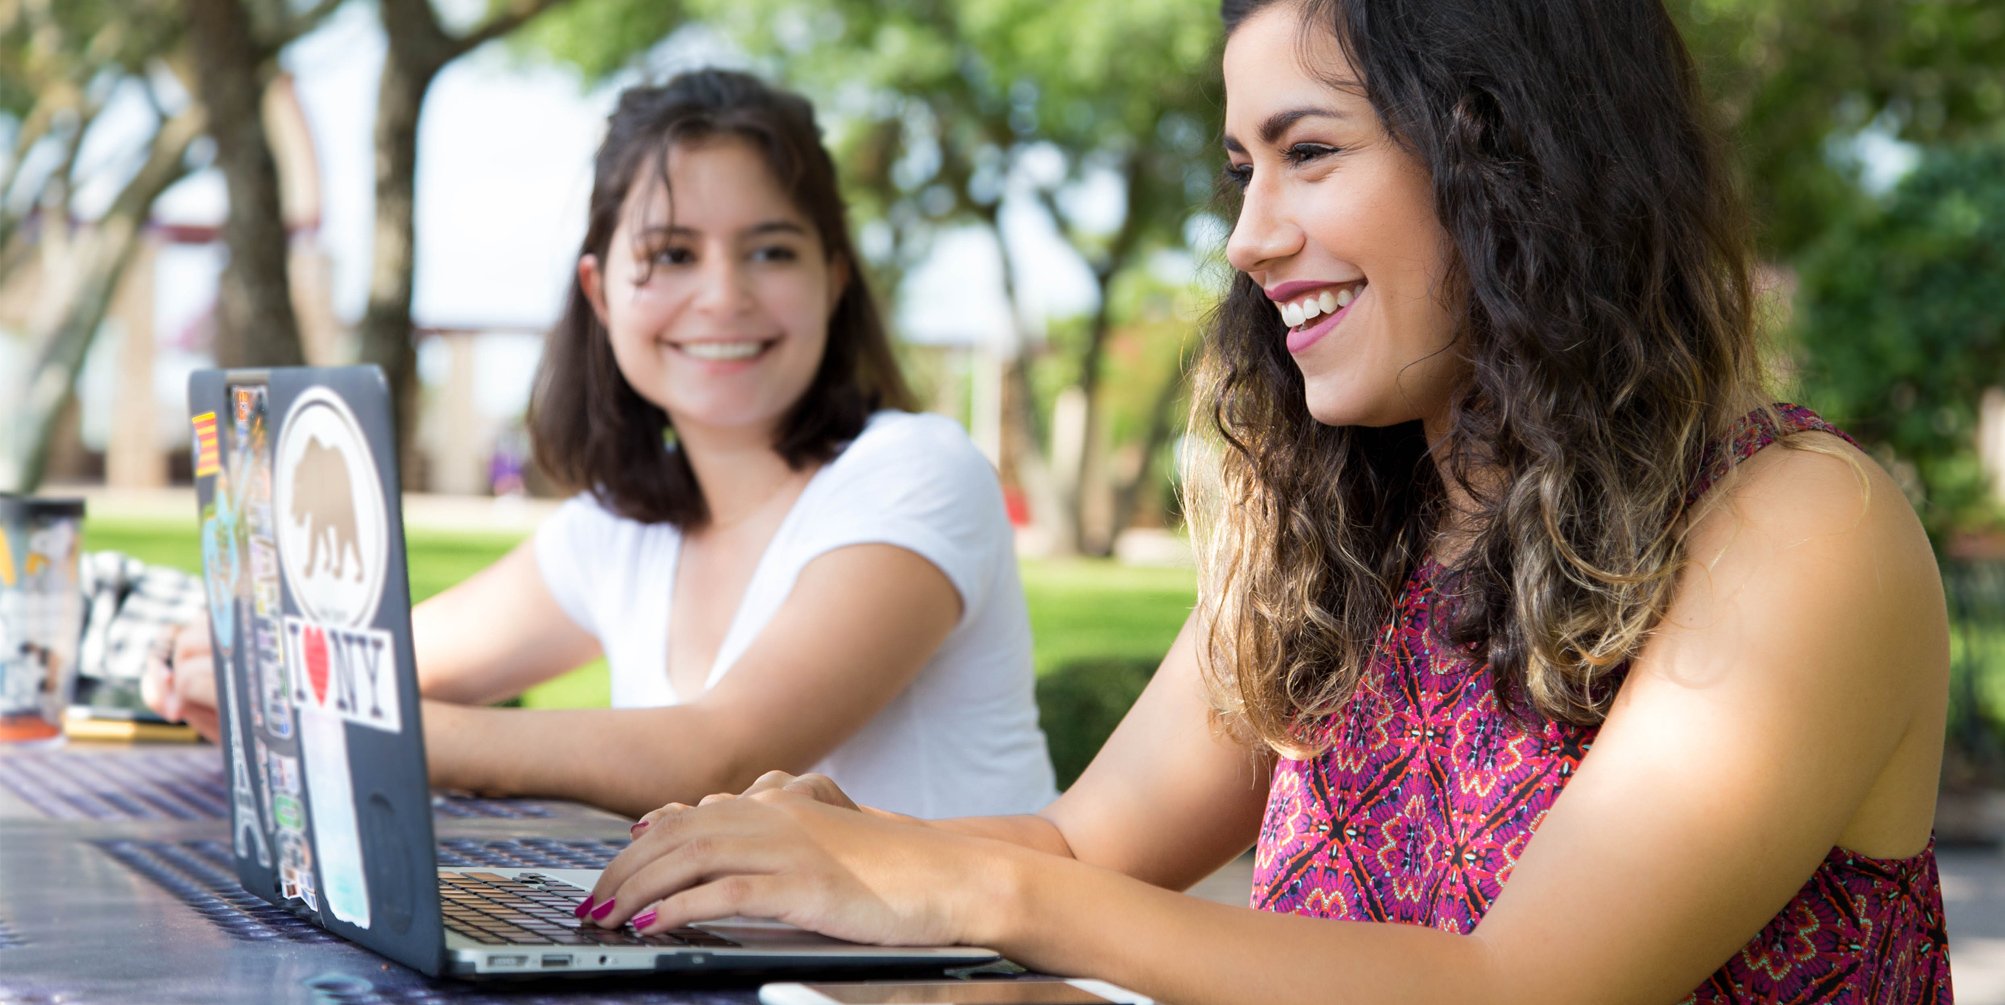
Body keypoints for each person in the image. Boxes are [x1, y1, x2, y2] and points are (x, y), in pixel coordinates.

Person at [574, 2, 1954, 1000]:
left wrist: (965, 890)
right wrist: (823, 855)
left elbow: (1522, 988)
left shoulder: (1797, 525)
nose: (1248, 237)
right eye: (1244, 171)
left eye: (1309, 153)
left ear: (1505, 157)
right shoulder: (1355, 525)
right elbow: (1084, 841)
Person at [145, 69, 1057, 822]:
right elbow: (376, 655)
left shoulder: (916, 473)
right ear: (600, 290)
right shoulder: (619, 529)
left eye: (771, 251)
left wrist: (329, 715)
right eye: (670, 254)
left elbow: (718, 753)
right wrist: (233, 657)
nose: (722, 296)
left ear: (833, 277)